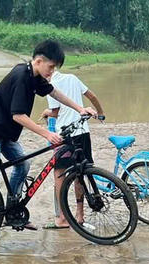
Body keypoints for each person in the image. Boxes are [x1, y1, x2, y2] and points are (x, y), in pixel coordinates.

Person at [0, 40, 93, 262]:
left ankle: (12, 210)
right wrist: (46, 134)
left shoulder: (36, 77)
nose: (52, 72)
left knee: (23, 165)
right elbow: (17, 116)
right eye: (51, 67)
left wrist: (80, 108)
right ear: (38, 61)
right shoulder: (22, 76)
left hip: (6, 134)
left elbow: (55, 93)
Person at [41, 70, 104, 229]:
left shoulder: (49, 86)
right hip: (82, 132)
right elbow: (93, 97)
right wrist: (101, 113)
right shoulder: (72, 78)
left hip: (65, 135)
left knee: (59, 174)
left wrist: (45, 112)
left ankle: (62, 218)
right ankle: (80, 214)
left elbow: (55, 113)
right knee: (81, 173)